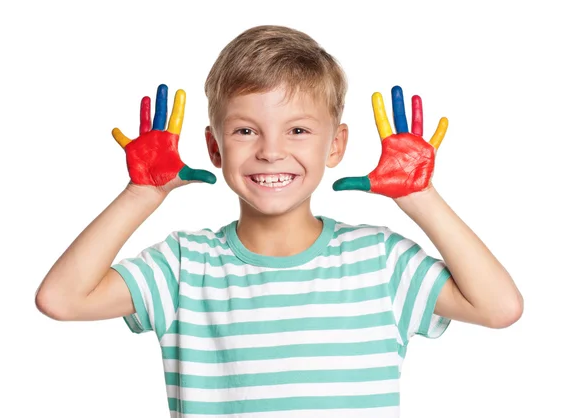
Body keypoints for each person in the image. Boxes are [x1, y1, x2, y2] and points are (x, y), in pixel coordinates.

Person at [35, 25, 523, 417]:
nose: (271, 151)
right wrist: (142, 194)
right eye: (245, 130)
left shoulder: (380, 260)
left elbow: (499, 307)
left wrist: (421, 197)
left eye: (298, 130)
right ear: (214, 147)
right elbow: (61, 299)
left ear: (335, 145)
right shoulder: (186, 265)